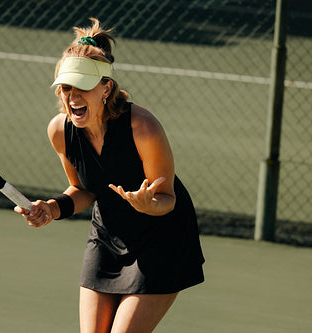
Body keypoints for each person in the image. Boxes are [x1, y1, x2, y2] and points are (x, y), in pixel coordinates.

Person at [15, 18, 205, 333]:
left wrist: (147, 205)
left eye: (83, 87)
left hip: (161, 240)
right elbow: (83, 189)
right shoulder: (60, 131)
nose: (72, 97)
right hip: (107, 237)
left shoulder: (142, 127)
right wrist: (52, 207)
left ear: (106, 88)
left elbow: (167, 197)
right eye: (66, 88)